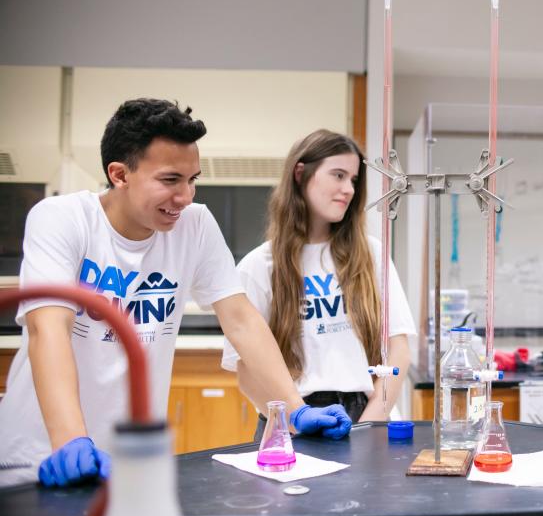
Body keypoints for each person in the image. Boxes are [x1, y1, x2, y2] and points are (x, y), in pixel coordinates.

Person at [0, 99, 351, 488]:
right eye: (170, 180)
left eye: (192, 179)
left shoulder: (194, 226)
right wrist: (69, 441)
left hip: (130, 461)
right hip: (41, 455)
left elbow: (241, 320)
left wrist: (294, 409)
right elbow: (48, 331)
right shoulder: (63, 219)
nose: (186, 196)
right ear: (119, 174)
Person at [221, 129, 414, 434]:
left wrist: (369, 425)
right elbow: (246, 373)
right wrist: (296, 421)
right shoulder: (258, 266)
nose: (348, 189)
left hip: (366, 412)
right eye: (338, 175)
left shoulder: (371, 254)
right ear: (301, 174)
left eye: (353, 180)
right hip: (290, 416)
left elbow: (398, 349)